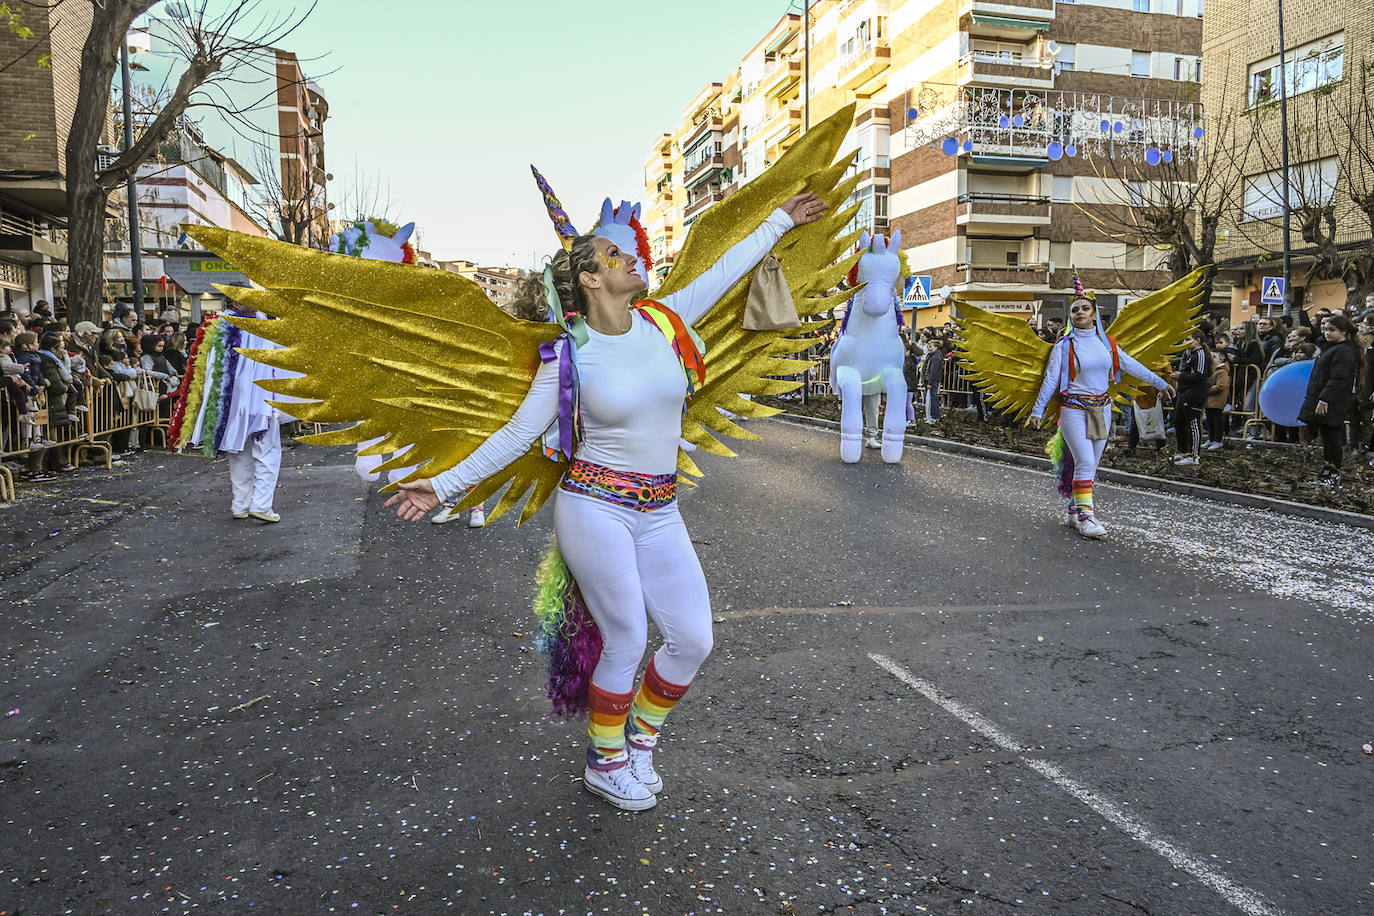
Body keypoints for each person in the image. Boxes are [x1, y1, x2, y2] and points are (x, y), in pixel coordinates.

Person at [384, 193, 828, 811]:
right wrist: (443, 483)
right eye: (615, 254)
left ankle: (639, 742)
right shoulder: (570, 354)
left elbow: (724, 271)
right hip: (595, 507)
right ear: (591, 279)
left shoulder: (662, 320)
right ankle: (605, 760)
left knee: (693, 639)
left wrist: (781, 219)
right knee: (626, 637)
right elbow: (516, 434)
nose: (632, 257)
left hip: (660, 508)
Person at [1030, 296, 1174, 538]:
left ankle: (1074, 511)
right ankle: (1087, 517)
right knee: (1085, 460)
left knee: (1091, 464)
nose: (1080, 313)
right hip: (1073, 409)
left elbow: (1132, 366)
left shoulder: (1108, 344)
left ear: (1095, 314)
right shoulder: (1064, 346)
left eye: (1085, 308)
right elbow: (1051, 378)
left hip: (1102, 409)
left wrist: (1160, 382)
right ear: (1070, 317)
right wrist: (1038, 409)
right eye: (1075, 310)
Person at [1297, 314, 1360, 485]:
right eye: (1325, 329)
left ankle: (1333, 471)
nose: (1327, 333)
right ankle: (1328, 469)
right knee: (1327, 436)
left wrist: (1324, 399)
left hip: (1332, 400)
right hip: (1325, 398)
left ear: (1344, 331)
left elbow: (1339, 377)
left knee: (1332, 437)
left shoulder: (1345, 350)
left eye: (1332, 330)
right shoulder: (1333, 348)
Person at [1169, 329, 1211, 466]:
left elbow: (1200, 375)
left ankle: (1194, 456)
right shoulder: (1189, 354)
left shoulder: (1200, 354)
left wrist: (1181, 376)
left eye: (1187, 339)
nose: (1184, 342)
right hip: (1184, 392)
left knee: (1193, 423)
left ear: (1197, 340)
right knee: (1178, 421)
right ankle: (1183, 451)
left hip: (1195, 392)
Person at [1205, 345, 1231, 450]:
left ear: (1221, 359)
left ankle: (1217, 440)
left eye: (1214, 357)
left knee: (1217, 421)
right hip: (1209, 401)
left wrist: (1207, 390)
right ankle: (1211, 439)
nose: (1211, 359)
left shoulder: (1222, 371)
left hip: (1217, 401)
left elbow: (1221, 386)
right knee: (1210, 421)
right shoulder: (1213, 371)